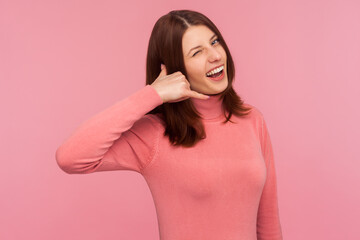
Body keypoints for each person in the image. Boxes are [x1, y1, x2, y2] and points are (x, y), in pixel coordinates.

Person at [55, 9, 283, 240]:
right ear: (175, 70)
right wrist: (152, 94)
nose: (215, 55)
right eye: (197, 53)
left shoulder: (252, 120)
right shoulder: (154, 134)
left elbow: (268, 220)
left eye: (215, 42)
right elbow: (70, 157)